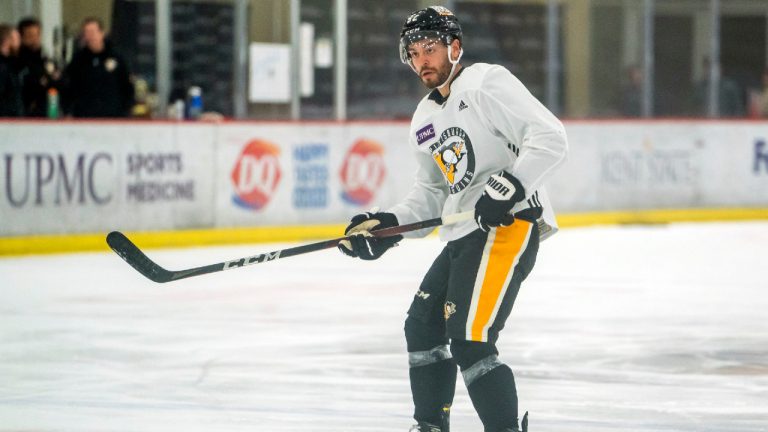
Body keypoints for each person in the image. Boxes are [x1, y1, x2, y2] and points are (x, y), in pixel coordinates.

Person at [338, 6, 567, 432]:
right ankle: (429, 426)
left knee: (470, 338)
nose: (422, 59)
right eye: (414, 52)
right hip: (464, 234)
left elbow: (550, 137)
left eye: (430, 48)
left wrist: (512, 185)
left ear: (455, 48)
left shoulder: (485, 82)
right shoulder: (424, 119)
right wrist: (385, 226)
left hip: (508, 225)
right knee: (422, 328)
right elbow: (431, 198)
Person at [62, 17, 134, 117]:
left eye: (92, 32)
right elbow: (68, 87)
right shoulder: (78, 60)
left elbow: (127, 87)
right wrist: (68, 110)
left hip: (112, 117)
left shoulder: (117, 58)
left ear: (102, 33)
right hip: (84, 118)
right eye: (86, 33)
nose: (89, 37)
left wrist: (125, 111)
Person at [17, 17, 60, 117]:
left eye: (37, 34)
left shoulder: (46, 58)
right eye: (30, 35)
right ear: (22, 37)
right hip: (26, 112)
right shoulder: (18, 61)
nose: (35, 39)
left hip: (48, 110)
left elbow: (58, 80)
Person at [0, 23, 24, 117]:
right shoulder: (3, 67)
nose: (19, 43)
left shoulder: (10, 65)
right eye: (17, 39)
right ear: (7, 41)